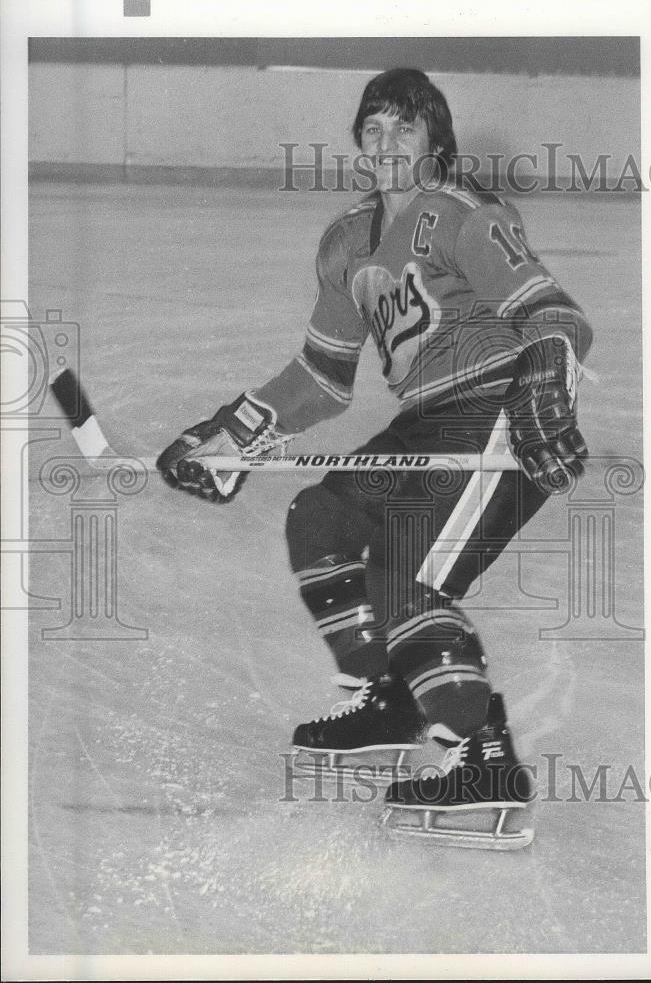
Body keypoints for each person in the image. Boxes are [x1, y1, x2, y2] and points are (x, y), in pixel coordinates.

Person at [157, 68, 593, 847]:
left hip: (493, 414)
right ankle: (392, 700)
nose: (387, 143)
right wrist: (229, 435)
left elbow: (551, 311)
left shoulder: (463, 214)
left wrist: (544, 378)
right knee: (319, 516)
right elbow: (320, 380)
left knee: (406, 579)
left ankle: (483, 760)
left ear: (435, 142)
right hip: (426, 422)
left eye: (405, 128)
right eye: (373, 128)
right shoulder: (346, 243)